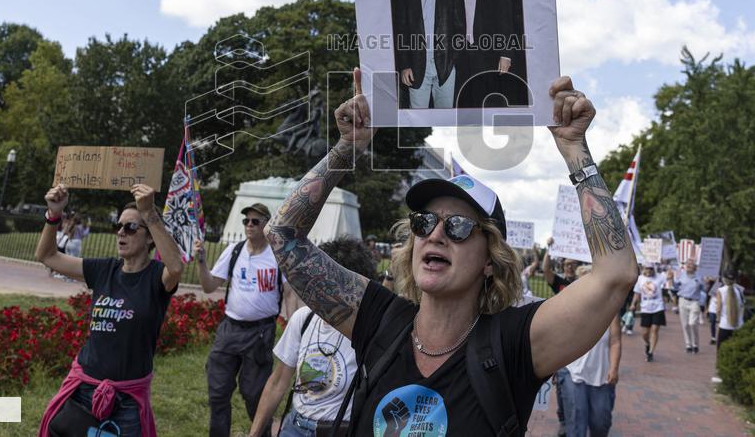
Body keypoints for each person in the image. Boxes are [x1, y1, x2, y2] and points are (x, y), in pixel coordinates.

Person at [265, 69, 638, 435]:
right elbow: (282, 235)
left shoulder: (514, 344)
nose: (436, 234)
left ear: (490, 261)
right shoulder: (381, 321)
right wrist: (348, 148)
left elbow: (615, 274)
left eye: (458, 226)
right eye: (423, 223)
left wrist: (575, 150)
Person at [36, 183, 182, 436]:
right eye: (119, 226)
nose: (121, 233)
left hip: (127, 399)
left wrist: (149, 213)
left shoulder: (157, 277)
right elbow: (47, 256)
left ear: (149, 237)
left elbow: (177, 267)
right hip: (84, 390)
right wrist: (54, 214)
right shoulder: (104, 270)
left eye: (131, 227)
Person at [249, 237, 378, 437]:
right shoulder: (304, 319)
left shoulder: (368, 330)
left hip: (339, 431)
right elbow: (278, 382)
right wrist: (254, 433)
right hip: (294, 428)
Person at [194, 203, 287, 437]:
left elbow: (291, 293)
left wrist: (296, 326)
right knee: (218, 392)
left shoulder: (277, 255)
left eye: (255, 221)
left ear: (267, 224)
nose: (249, 225)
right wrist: (202, 262)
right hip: (229, 329)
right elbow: (208, 286)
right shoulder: (234, 251)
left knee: (254, 394)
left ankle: (262, 433)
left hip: (260, 333)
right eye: (246, 221)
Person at [453, 0, 521, 108]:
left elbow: (506, 18)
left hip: (489, 54)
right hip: (462, 56)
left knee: (491, 102)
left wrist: (506, 54)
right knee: (466, 103)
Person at [393, 0, 461, 109]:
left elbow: (460, 29)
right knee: (417, 118)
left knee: (445, 119)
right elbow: (401, 32)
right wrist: (404, 65)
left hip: (445, 66)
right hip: (416, 66)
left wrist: (452, 59)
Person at [559, 265, 621, 437]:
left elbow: (615, 341)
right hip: (573, 374)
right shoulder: (570, 308)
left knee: (601, 424)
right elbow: (559, 340)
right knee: (577, 425)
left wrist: (614, 368)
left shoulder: (610, 310)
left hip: (601, 376)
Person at [542, 237, 580, 435]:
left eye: (573, 264)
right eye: (567, 264)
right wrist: (548, 248)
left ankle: (573, 416)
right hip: (560, 337)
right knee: (561, 377)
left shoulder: (584, 282)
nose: (570, 267)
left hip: (579, 336)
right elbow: (545, 270)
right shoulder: (559, 282)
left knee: (575, 379)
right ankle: (563, 417)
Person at [710, 268, 745, 384]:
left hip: (725, 325)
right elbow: (742, 308)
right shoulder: (739, 291)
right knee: (735, 350)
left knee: (721, 351)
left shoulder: (720, 290)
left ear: (724, 279)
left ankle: (720, 374)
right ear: (735, 279)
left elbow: (718, 308)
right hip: (738, 326)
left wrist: (717, 320)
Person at [630, 263, 667, 362]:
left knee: (655, 330)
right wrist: (633, 304)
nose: (649, 270)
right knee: (645, 333)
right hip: (645, 308)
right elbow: (637, 293)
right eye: (647, 268)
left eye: (651, 268)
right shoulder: (640, 279)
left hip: (658, 307)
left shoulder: (660, 277)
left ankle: (651, 352)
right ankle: (647, 343)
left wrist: (671, 277)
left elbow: (669, 281)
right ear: (644, 269)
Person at [675, 259, 704, 353]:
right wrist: (671, 279)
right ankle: (688, 344)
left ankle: (695, 344)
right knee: (685, 325)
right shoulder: (681, 275)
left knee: (692, 323)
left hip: (694, 302)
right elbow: (675, 287)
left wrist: (707, 282)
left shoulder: (699, 276)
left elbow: (705, 289)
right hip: (683, 300)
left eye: (691, 264)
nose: (689, 265)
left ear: (695, 267)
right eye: (687, 264)